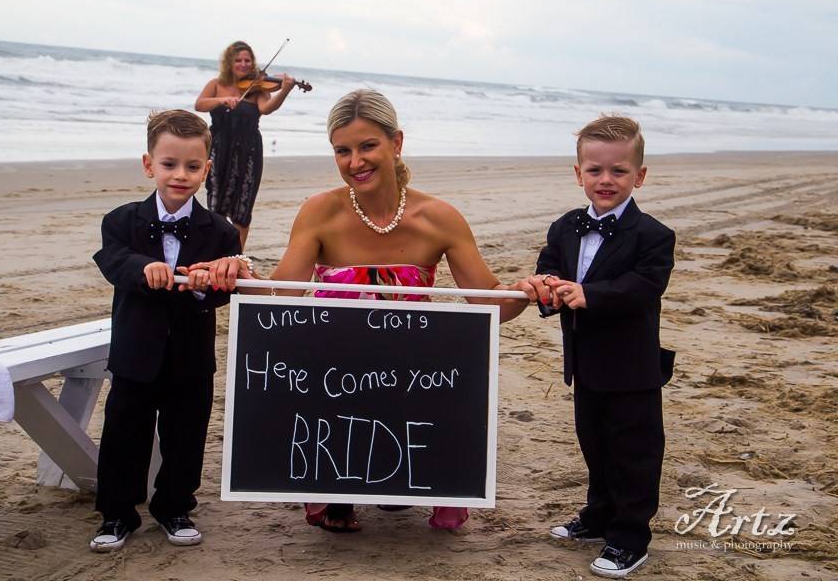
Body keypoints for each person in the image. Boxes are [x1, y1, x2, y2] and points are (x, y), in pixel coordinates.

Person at [194, 89, 530, 533]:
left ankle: (408, 482)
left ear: (397, 143)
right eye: (343, 150)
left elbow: (489, 303)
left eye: (368, 145)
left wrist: (527, 291)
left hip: (411, 374)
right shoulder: (320, 211)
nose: (356, 161)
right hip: (330, 372)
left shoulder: (440, 218)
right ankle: (339, 490)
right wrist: (236, 268)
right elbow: (281, 297)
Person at [522, 116, 675, 578]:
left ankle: (630, 537)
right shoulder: (565, 226)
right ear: (578, 173)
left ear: (639, 177)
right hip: (585, 364)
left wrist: (593, 294)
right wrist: (543, 285)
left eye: (618, 171)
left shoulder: (654, 236)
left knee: (634, 453)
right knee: (594, 444)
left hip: (632, 369)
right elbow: (549, 266)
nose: (605, 180)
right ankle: (598, 515)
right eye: (595, 170)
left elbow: (645, 285)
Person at [89, 109, 241, 552]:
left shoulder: (221, 231)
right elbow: (114, 262)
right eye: (169, 164)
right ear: (148, 164)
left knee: (187, 435)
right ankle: (117, 514)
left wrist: (203, 287)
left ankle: (174, 506)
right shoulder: (121, 221)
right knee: (123, 432)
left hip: (191, 357)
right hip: (136, 352)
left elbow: (225, 289)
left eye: (193, 167)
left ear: (206, 170)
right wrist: (145, 268)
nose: (180, 175)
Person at [195, 40, 296, 250]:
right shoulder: (216, 83)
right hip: (219, 147)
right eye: (238, 60)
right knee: (216, 202)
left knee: (243, 204)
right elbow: (200, 104)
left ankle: (236, 254)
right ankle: (214, 251)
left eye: (247, 60)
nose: (243, 64)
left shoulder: (257, 87)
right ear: (229, 62)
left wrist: (284, 90)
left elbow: (267, 108)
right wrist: (223, 99)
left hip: (248, 150)